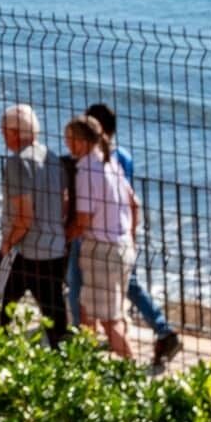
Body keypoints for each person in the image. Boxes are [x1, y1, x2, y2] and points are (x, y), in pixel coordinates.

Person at [86, 102, 185, 368]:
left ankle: (158, 330)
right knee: (125, 284)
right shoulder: (124, 156)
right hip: (121, 229)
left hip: (101, 233)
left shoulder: (99, 158)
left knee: (104, 287)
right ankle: (150, 330)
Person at [0, 104, 71, 342]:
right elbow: (64, 203)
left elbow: (25, 217)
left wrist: (7, 244)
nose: (2, 136)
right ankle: (64, 358)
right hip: (54, 249)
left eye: (4, 131)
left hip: (24, 251)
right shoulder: (53, 159)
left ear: (15, 133)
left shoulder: (17, 163)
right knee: (54, 315)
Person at [66, 114, 141, 362]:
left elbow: (84, 220)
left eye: (69, 139)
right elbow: (135, 204)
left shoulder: (86, 171)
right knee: (88, 308)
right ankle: (85, 362)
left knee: (110, 320)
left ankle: (130, 368)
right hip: (122, 245)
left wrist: (64, 236)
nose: (67, 145)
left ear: (80, 141)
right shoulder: (111, 164)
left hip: (101, 249)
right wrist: (130, 236)